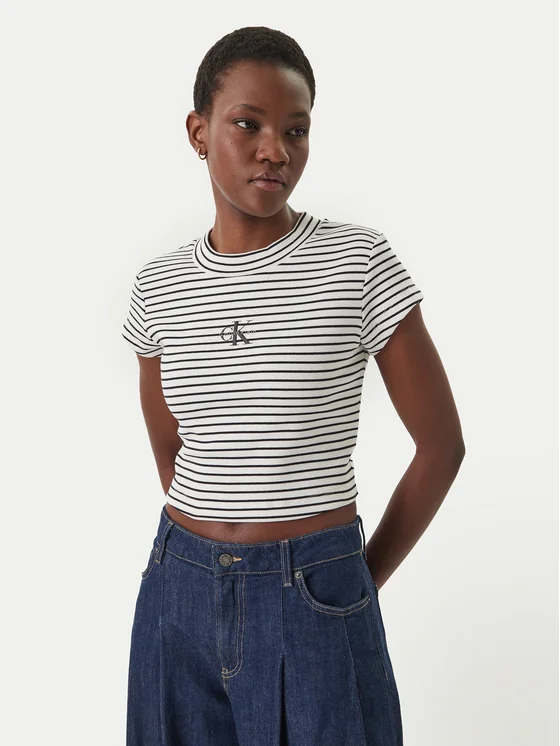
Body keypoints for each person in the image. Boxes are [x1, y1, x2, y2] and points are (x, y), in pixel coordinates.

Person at [121, 25, 465, 746]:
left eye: (296, 130)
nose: (275, 150)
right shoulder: (159, 288)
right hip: (177, 591)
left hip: (317, 592)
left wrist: (350, 581)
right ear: (198, 132)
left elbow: (441, 447)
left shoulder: (358, 262)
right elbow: (172, 449)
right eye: (248, 124)